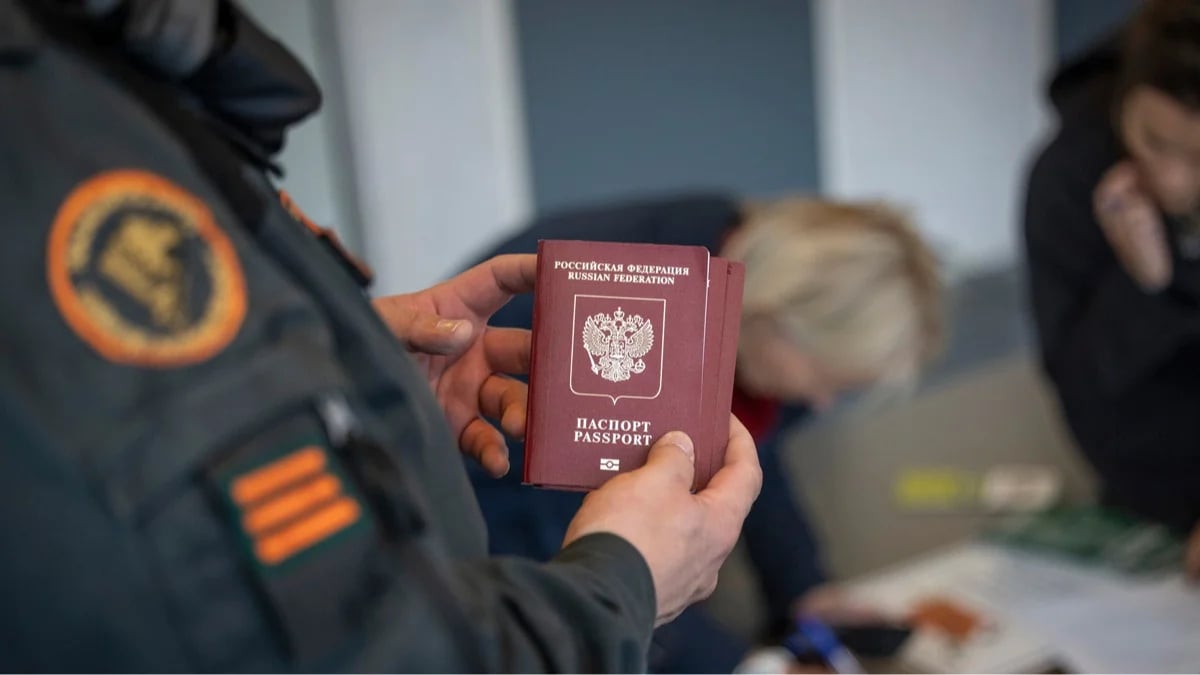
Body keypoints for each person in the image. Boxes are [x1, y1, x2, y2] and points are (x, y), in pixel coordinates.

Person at [0, 1, 762, 671]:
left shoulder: (95, 77)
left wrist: (355, 378)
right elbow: (365, 654)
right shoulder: (53, 136)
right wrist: (625, 582)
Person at [463, 193, 943, 672]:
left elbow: (754, 455)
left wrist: (803, 590)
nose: (823, 403)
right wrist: (736, 665)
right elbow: (586, 544)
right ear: (777, 321)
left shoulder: (745, 281)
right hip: (474, 535)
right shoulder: (617, 300)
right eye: (829, 380)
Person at [1022, 0, 1200, 579]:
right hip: (1150, 490)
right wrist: (1141, 287)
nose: (1172, 181)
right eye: (1154, 139)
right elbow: (1079, 386)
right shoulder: (1068, 176)